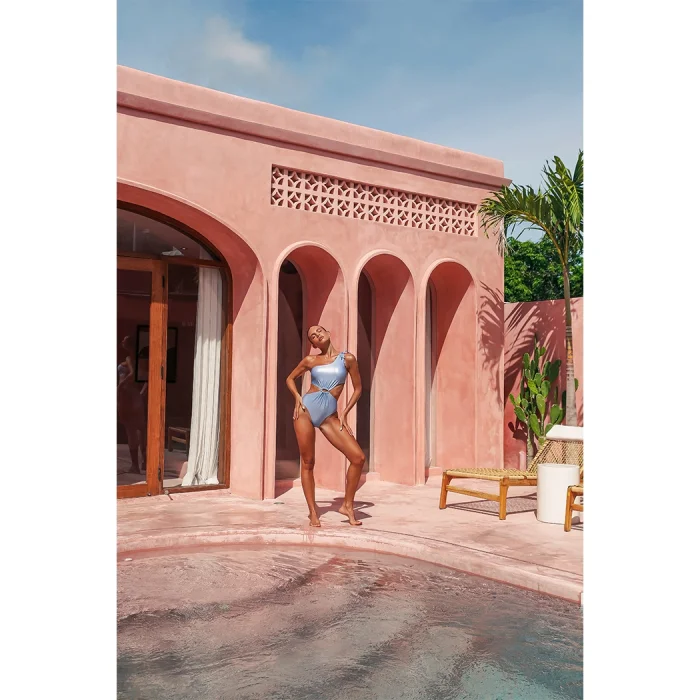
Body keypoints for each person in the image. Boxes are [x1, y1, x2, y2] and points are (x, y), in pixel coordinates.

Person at [286, 325, 366, 527]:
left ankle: (347, 505)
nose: (317, 335)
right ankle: (313, 512)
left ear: (328, 333)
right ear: (313, 344)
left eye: (319, 331)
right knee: (308, 462)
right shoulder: (310, 360)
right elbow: (290, 379)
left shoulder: (347, 359)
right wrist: (297, 397)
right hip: (305, 411)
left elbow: (358, 389)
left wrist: (345, 412)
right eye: (313, 336)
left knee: (358, 458)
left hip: (329, 416)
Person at [117, 335, 148, 474]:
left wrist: (120, 386)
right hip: (136, 395)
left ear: (128, 344)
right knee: (141, 429)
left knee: (131, 430)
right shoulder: (140, 360)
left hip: (127, 395)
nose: (121, 341)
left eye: (124, 340)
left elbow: (133, 373)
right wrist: (141, 393)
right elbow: (147, 377)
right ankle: (145, 462)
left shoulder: (129, 359)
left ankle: (135, 465)